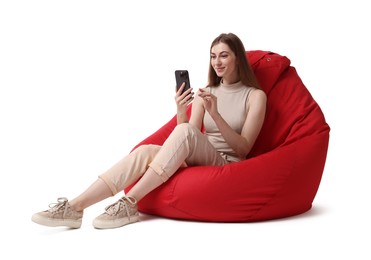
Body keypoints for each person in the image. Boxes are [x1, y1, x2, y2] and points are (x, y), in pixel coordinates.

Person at [31, 32, 267, 229]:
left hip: (227, 164)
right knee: (144, 151)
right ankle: (75, 208)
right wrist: (180, 108)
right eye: (213, 56)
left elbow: (244, 147)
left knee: (184, 134)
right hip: (201, 159)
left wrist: (214, 114)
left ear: (239, 59)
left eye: (224, 55)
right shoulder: (208, 92)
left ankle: (130, 202)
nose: (217, 62)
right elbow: (190, 133)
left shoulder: (255, 96)